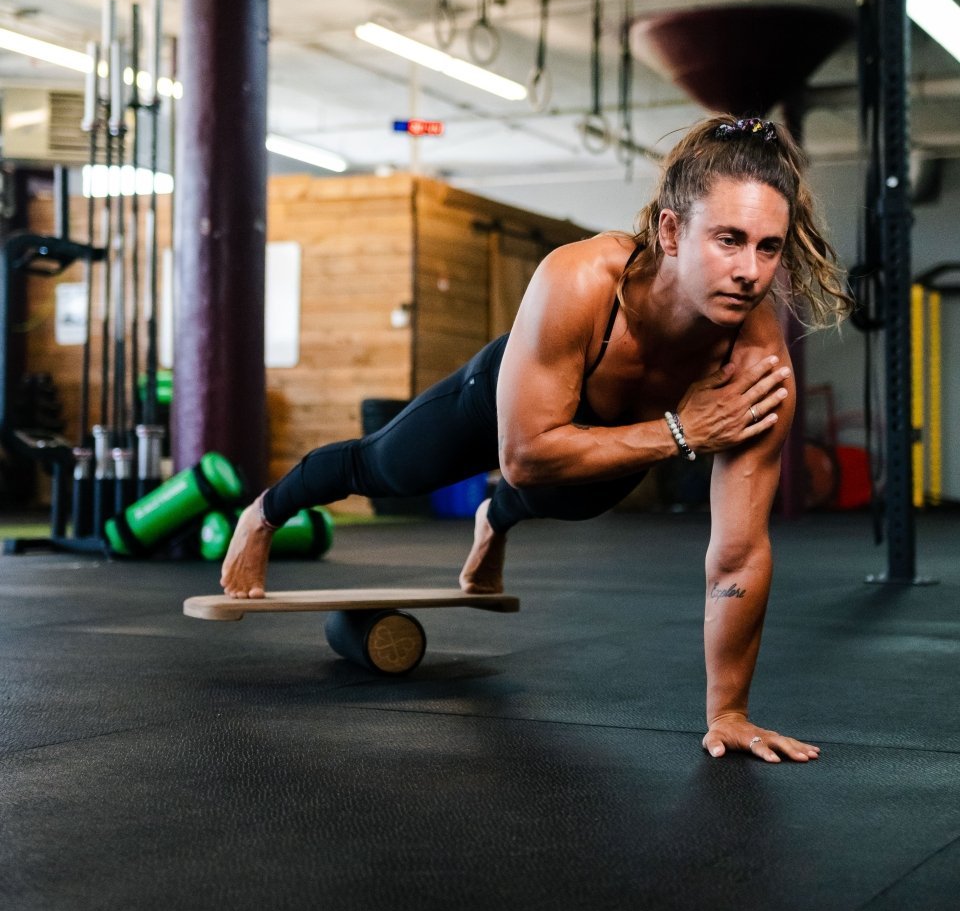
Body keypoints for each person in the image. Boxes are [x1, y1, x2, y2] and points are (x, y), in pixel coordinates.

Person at [221, 114, 852, 763]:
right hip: (503, 405)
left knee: (577, 498)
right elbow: (523, 455)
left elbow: (740, 552)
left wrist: (729, 711)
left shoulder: (755, 369)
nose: (751, 271)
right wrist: (681, 431)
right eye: (729, 239)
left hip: (618, 440)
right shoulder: (580, 280)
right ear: (670, 230)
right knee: (388, 469)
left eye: (768, 247)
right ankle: (263, 513)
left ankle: (494, 520)